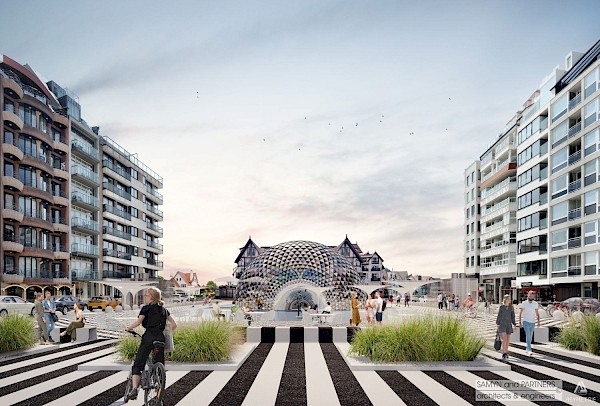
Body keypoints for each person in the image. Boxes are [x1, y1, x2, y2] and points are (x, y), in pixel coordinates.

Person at [126, 287, 177, 401]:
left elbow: (138, 322)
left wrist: (129, 328)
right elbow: (174, 324)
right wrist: (166, 330)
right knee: (158, 362)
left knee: (138, 363)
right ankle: (158, 384)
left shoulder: (146, 308)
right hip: (160, 338)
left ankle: (134, 389)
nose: (145, 297)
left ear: (151, 297)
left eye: (146, 295)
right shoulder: (164, 310)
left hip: (149, 338)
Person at [518, 290, 540, 356]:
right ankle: (529, 349)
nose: (531, 296)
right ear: (527, 295)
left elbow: (537, 313)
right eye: (530, 294)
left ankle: (527, 348)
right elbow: (520, 313)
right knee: (528, 335)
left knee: (530, 336)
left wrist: (538, 321)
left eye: (532, 295)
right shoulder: (524, 303)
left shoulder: (535, 304)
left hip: (532, 322)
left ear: (533, 296)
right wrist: (519, 322)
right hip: (525, 321)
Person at [496, 295, 516, 360]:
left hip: (509, 325)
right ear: (505, 299)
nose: (510, 300)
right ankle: (503, 353)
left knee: (507, 340)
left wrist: (514, 325)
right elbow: (499, 316)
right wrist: (498, 325)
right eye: (509, 298)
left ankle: (506, 352)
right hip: (502, 324)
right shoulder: (501, 307)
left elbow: (513, 317)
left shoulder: (511, 307)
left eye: (510, 299)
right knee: (504, 339)